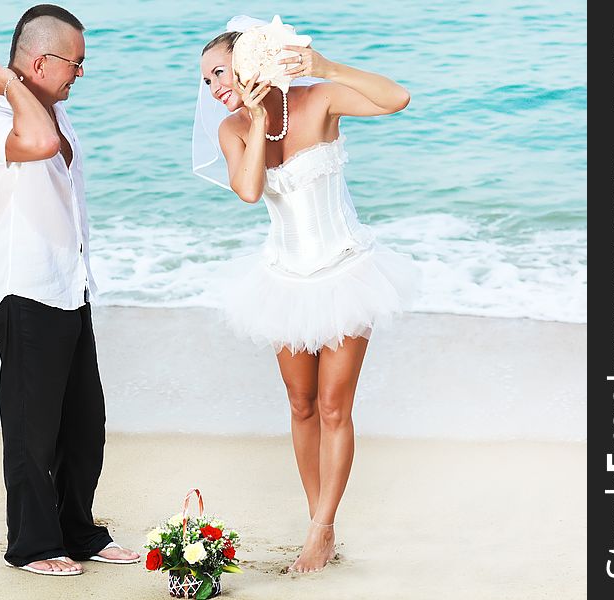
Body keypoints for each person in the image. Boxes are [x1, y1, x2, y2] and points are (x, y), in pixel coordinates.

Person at [195, 18, 419, 573]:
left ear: (251, 59)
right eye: (205, 81)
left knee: (332, 404)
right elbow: (249, 191)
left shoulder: (318, 100)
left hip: (347, 272)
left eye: (219, 71)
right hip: (283, 280)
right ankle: (318, 519)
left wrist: (326, 67)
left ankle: (320, 534)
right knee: (300, 406)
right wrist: (252, 117)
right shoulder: (233, 129)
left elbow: (398, 98)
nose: (213, 86)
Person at [0, 4, 138, 575]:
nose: (80, 74)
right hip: (23, 288)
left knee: (84, 424)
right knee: (31, 429)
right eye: (75, 62)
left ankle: (77, 531)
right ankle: (32, 545)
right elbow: (35, 144)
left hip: (69, 286)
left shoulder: (53, 115)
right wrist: (11, 84)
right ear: (39, 61)